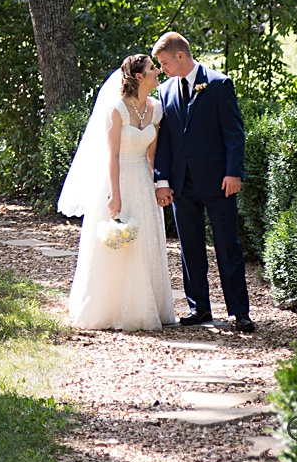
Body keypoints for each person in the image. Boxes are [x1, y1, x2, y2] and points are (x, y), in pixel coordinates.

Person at [58, 53, 177, 331]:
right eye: (152, 69)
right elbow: (111, 157)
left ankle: (143, 306)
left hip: (143, 183)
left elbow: (153, 154)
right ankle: (108, 307)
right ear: (139, 76)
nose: (157, 71)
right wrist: (116, 195)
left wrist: (159, 185)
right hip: (117, 178)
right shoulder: (116, 109)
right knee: (117, 242)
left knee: (144, 240)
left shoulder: (156, 109)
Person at [151, 31, 254, 333]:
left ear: (180, 56)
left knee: (227, 246)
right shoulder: (166, 91)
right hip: (182, 185)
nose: (162, 69)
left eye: (165, 62)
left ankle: (240, 311)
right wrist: (163, 180)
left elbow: (234, 133)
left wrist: (234, 172)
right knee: (189, 248)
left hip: (219, 182)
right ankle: (199, 308)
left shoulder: (219, 84)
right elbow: (166, 140)